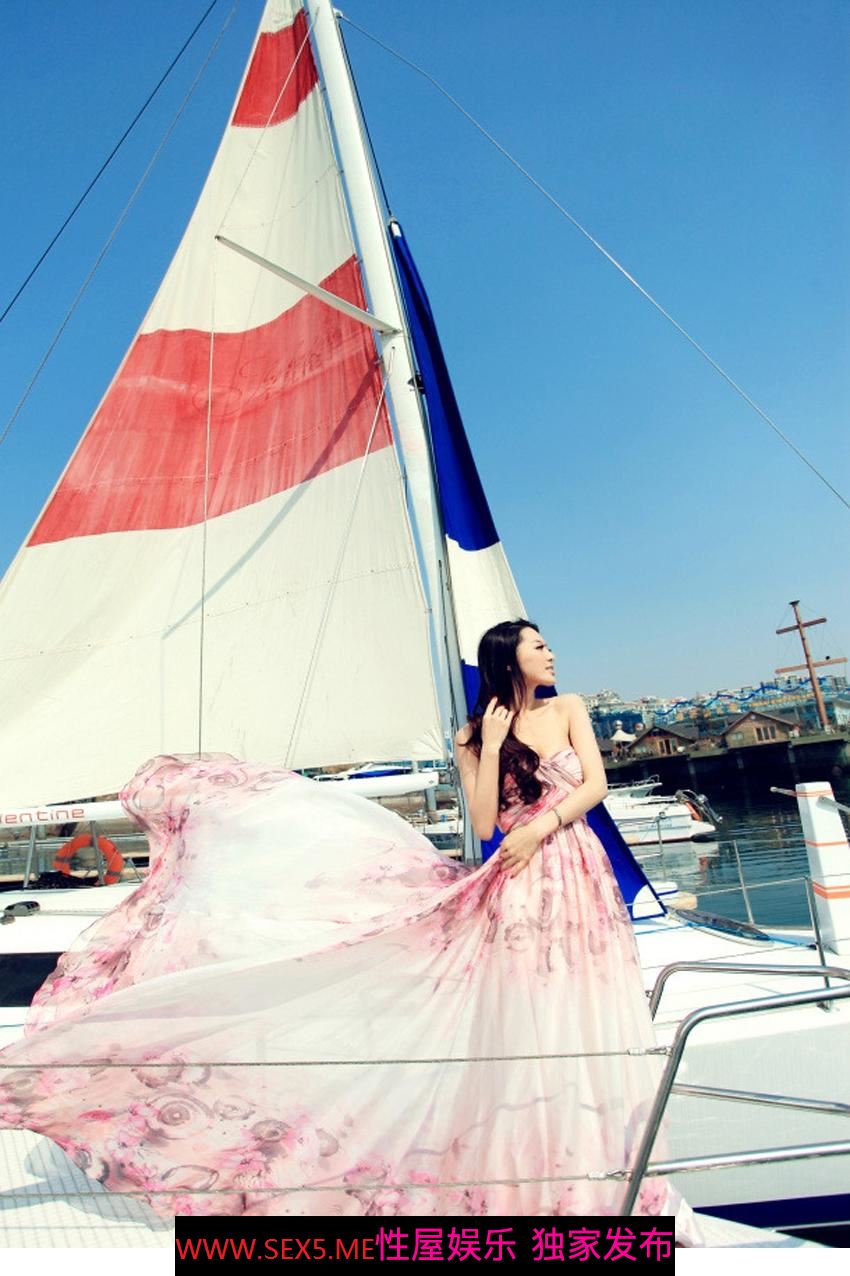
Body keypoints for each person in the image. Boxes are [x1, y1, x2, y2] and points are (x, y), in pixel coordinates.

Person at [0, 622, 700, 1239]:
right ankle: (533, 1170)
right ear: (508, 658)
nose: (550, 654)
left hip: (573, 863)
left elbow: (594, 787)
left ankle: (598, 1164)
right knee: (529, 1015)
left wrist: (542, 826)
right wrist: (489, 747)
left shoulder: (569, 708)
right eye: (538, 646)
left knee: (583, 1002)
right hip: (517, 879)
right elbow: (487, 823)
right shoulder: (472, 734)